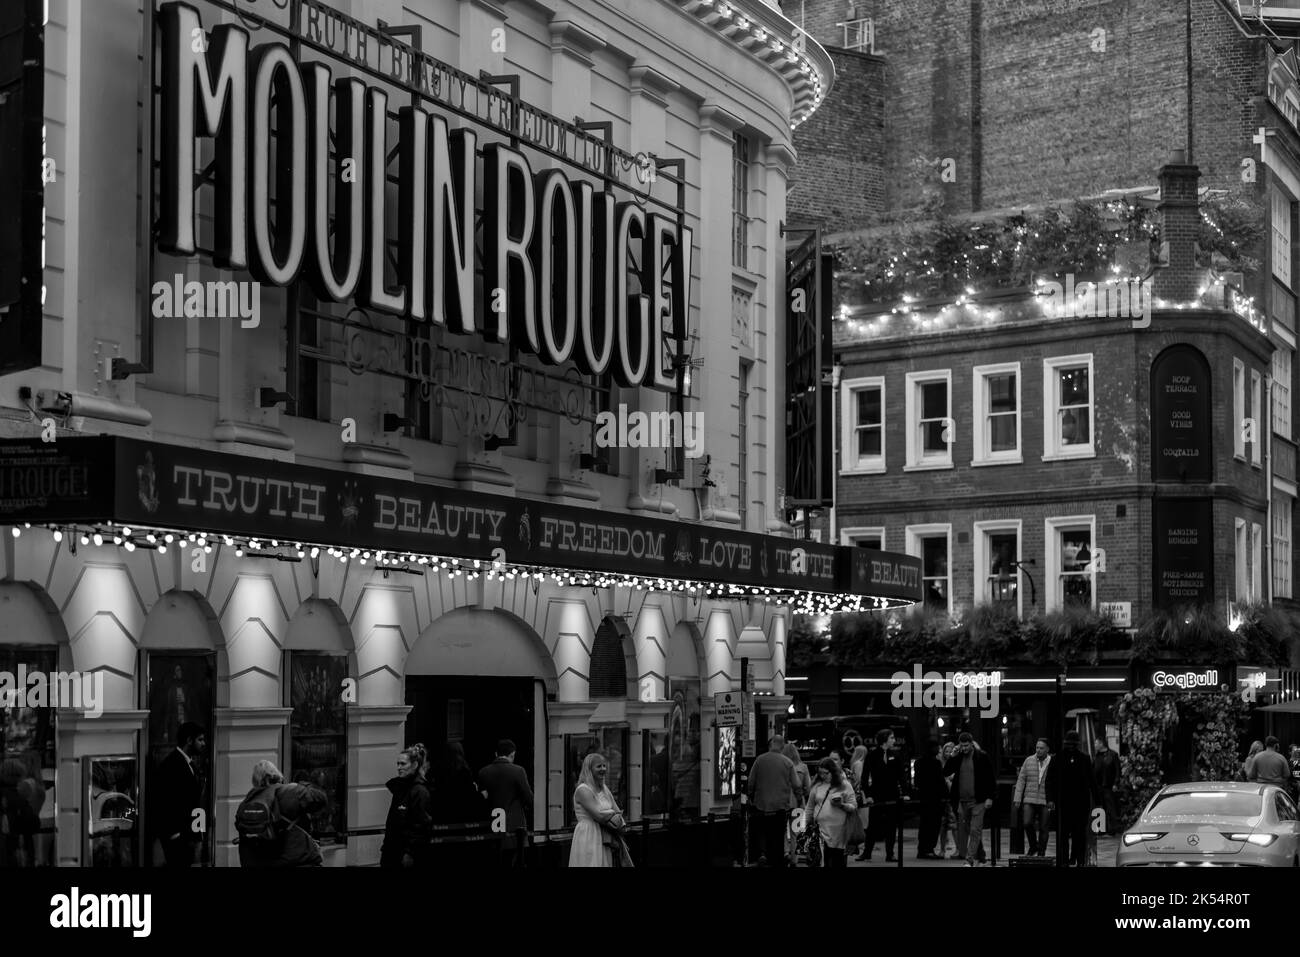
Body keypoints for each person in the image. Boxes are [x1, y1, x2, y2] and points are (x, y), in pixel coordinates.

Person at [236, 760, 328, 867]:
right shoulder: (290, 791)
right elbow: (320, 798)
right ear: (277, 775)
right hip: (294, 861)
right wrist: (301, 784)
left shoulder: (247, 801)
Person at [152, 721, 206, 868]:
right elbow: (164, 801)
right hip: (178, 836)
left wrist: (198, 833)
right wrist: (174, 833)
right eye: (200, 740)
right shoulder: (172, 765)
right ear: (189, 740)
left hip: (187, 834)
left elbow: (195, 802)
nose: (203, 744)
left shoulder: (189, 765)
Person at [1044, 730, 1100, 867]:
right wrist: (1050, 799)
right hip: (1062, 803)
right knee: (1063, 834)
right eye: (1068, 744)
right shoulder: (1057, 758)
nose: (1070, 747)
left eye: (1072, 744)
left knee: (1079, 835)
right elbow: (1049, 780)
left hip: (1080, 804)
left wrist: (1098, 801)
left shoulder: (1084, 759)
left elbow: (1092, 781)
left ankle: (1078, 859)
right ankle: (1063, 860)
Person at [478, 739, 534, 867]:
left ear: (495, 754)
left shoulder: (483, 772)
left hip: (491, 826)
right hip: (514, 830)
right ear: (512, 754)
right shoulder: (518, 771)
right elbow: (529, 798)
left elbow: (482, 799)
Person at [746, 735, 799, 867]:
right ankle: (778, 860)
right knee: (778, 836)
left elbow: (751, 782)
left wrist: (751, 796)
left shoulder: (759, 760)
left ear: (771, 745)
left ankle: (763, 854)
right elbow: (797, 784)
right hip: (780, 807)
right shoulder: (788, 762)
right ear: (782, 747)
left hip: (761, 805)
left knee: (763, 832)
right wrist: (799, 797)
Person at [570, 752, 631, 867]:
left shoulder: (604, 789)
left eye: (604, 765)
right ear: (589, 769)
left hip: (606, 836)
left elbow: (618, 812)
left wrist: (614, 816)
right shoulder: (583, 790)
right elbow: (598, 816)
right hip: (588, 835)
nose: (603, 769)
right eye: (599, 766)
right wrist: (614, 816)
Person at [943, 732, 995, 867]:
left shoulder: (981, 756)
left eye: (966, 745)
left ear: (971, 744)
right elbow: (946, 772)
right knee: (970, 830)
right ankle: (982, 857)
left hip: (979, 800)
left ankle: (969, 859)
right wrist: (952, 756)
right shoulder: (958, 757)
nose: (964, 748)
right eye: (962, 746)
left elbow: (990, 778)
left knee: (974, 830)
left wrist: (990, 797)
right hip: (962, 801)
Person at [381, 743, 432, 867]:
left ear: (414, 765)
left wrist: (410, 853)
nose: (399, 767)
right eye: (397, 764)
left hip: (405, 855)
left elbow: (421, 826)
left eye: (403, 764)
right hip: (391, 852)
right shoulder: (400, 789)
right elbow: (393, 822)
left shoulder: (419, 792)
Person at [803, 757, 857, 867]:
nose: (823, 776)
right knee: (824, 861)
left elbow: (854, 806)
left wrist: (841, 805)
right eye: (820, 773)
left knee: (838, 862)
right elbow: (809, 808)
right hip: (821, 832)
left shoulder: (845, 785)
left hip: (840, 833)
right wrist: (806, 826)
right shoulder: (817, 786)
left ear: (833, 771)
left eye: (826, 773)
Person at [861, 728, 905, 862]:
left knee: (892, 826)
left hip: (892, 795)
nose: (894, 740)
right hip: (876, 795)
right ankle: (867, 853)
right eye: (891, 738)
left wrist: (904, 793)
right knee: (873, 826)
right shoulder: (872, 755)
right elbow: (864, 777)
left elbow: (901, 776)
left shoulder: (896, 755)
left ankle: (890, 854)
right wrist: (868, 794)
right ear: (884, 739)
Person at [1013, 738, 1052, 856]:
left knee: (1044, 827)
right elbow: (1021, 779)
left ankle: (1041, 851)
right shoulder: (1028, 760)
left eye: (1041, 748)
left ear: (1047, 749)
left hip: (1045, 799)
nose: (1038, 750)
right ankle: (1034, 846)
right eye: (1037, 748)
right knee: (1027, 823)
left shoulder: (1052, 762)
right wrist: (1017, 798)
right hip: (1029, 798)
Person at [432, 741, 484, 825]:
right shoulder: (464, 770)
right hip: (462, 812)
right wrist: (480, 793)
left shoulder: (438, 769)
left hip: (443, 811)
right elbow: (468, 794)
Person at [914, 740, 946, 859]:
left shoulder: (918, 762)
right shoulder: (935, 763)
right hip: (935, 798)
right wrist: (945, 795)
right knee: (933, 825)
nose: (939, 750)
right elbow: (940, 781)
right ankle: (929, 849)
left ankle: (922, 849)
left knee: (924, 825)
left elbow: (917, 781)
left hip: (923, 798)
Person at [782, 742, 812, 865]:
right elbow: (808, 788)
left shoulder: (781, 766)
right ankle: (794, 859)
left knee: (782, 831)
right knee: (796, 833)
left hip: (782, 804)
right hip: (798, 803)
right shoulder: (803, 767)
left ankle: (785, 853)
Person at [1092, 739, 1120, 836]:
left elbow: (1117, 770)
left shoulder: (1113, 755)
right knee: (1099, 808)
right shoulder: (1096, 756)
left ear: (1101, 743)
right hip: (1098, 786)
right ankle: (1101, 829)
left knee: (1110, 807)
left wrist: (1116, 783)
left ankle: (1112, 829)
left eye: (1096, 743)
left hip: (1108, 785)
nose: (1094, 745)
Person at [938, 741, 958, 858]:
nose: (949, 753)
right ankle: (942, 850)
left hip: (952, 798)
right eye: (947, 751)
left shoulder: (956, 762)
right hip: (943, 797)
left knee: (954, 824)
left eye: (951, 751)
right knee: (943, 825)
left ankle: (958, 849)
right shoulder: (940, 763)